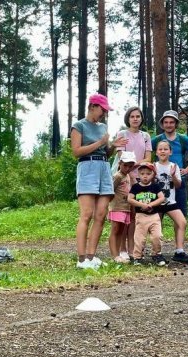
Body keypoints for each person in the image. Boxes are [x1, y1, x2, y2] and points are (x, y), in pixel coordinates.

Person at [70, 93, 128, 269]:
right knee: (86, 214)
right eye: (102, 110)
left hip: (104, 169)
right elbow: (77, 151)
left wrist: (112, 146)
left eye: (105, 111)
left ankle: (91, 256)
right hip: (87, 169)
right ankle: (81, 260)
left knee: (101, 215)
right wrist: (100, 142)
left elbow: (105, 153)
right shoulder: (78, 126)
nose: (104, 113)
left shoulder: (103, 127)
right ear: (92, 106)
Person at [115, 106, 152, 259]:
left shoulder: (145, 136)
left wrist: (135, 164)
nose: (135, 119)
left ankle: (132, 249)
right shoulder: (122, 134)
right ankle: (122, 249)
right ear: (128, 119)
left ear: (141, 118)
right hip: (124, 177)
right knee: (124, 214)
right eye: (132, 116)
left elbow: (148, 158)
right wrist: (131, 166)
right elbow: (121, 156)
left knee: (134, 216)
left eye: (138, 116)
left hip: (140, 178)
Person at [151, 110, 188, 220]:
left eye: (171, 122)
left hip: (178, 180)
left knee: (181, 215)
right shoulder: (157, 139)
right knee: (157, 216)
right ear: (162, 124)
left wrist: (187, 169)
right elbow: (146, 151)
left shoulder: (183, 139)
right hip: (160, 181)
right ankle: (158, 237)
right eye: (166, 122)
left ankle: (179, 238)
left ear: (176, 124)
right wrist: (150, 168)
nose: (168, 125)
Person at [152, 140, 188, 263]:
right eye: (160, 149)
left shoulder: (174, 166)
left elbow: (178, 185)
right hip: (157, 202)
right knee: (156, 227)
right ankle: (156, 253)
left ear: (170, 152)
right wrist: (153, 176)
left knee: (182, 222)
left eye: (165, 149)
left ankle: (179, 251)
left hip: (170, 201)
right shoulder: (153, 166)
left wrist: (173, 175)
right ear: (156, 152)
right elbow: (148, 184)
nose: (163, 151)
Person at [128, 162, 167, 266]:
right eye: (142, 173)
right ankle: (137, 257)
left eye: (148, 173)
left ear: (153, 174)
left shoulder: (155, 186)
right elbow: (130, 199)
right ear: (139, 175)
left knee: (157, 236)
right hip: (141, 216)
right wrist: (141, 204)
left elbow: (162, 198)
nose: (145, 176)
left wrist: (151, 204)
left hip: (154, 216)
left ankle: (157, 254)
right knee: (139, 238)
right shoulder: (136, 187)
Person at [108, 152, 137, 263]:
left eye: (130, 166)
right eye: (125, 165)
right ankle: (114, 255)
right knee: (115, 230)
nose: (127, 168)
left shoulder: (128, 176)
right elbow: (110, 191)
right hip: (117, 207)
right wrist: (109, 205)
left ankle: (119, 253)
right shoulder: (117, 176)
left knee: (121, 230)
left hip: (126, 208)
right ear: (120, 163)